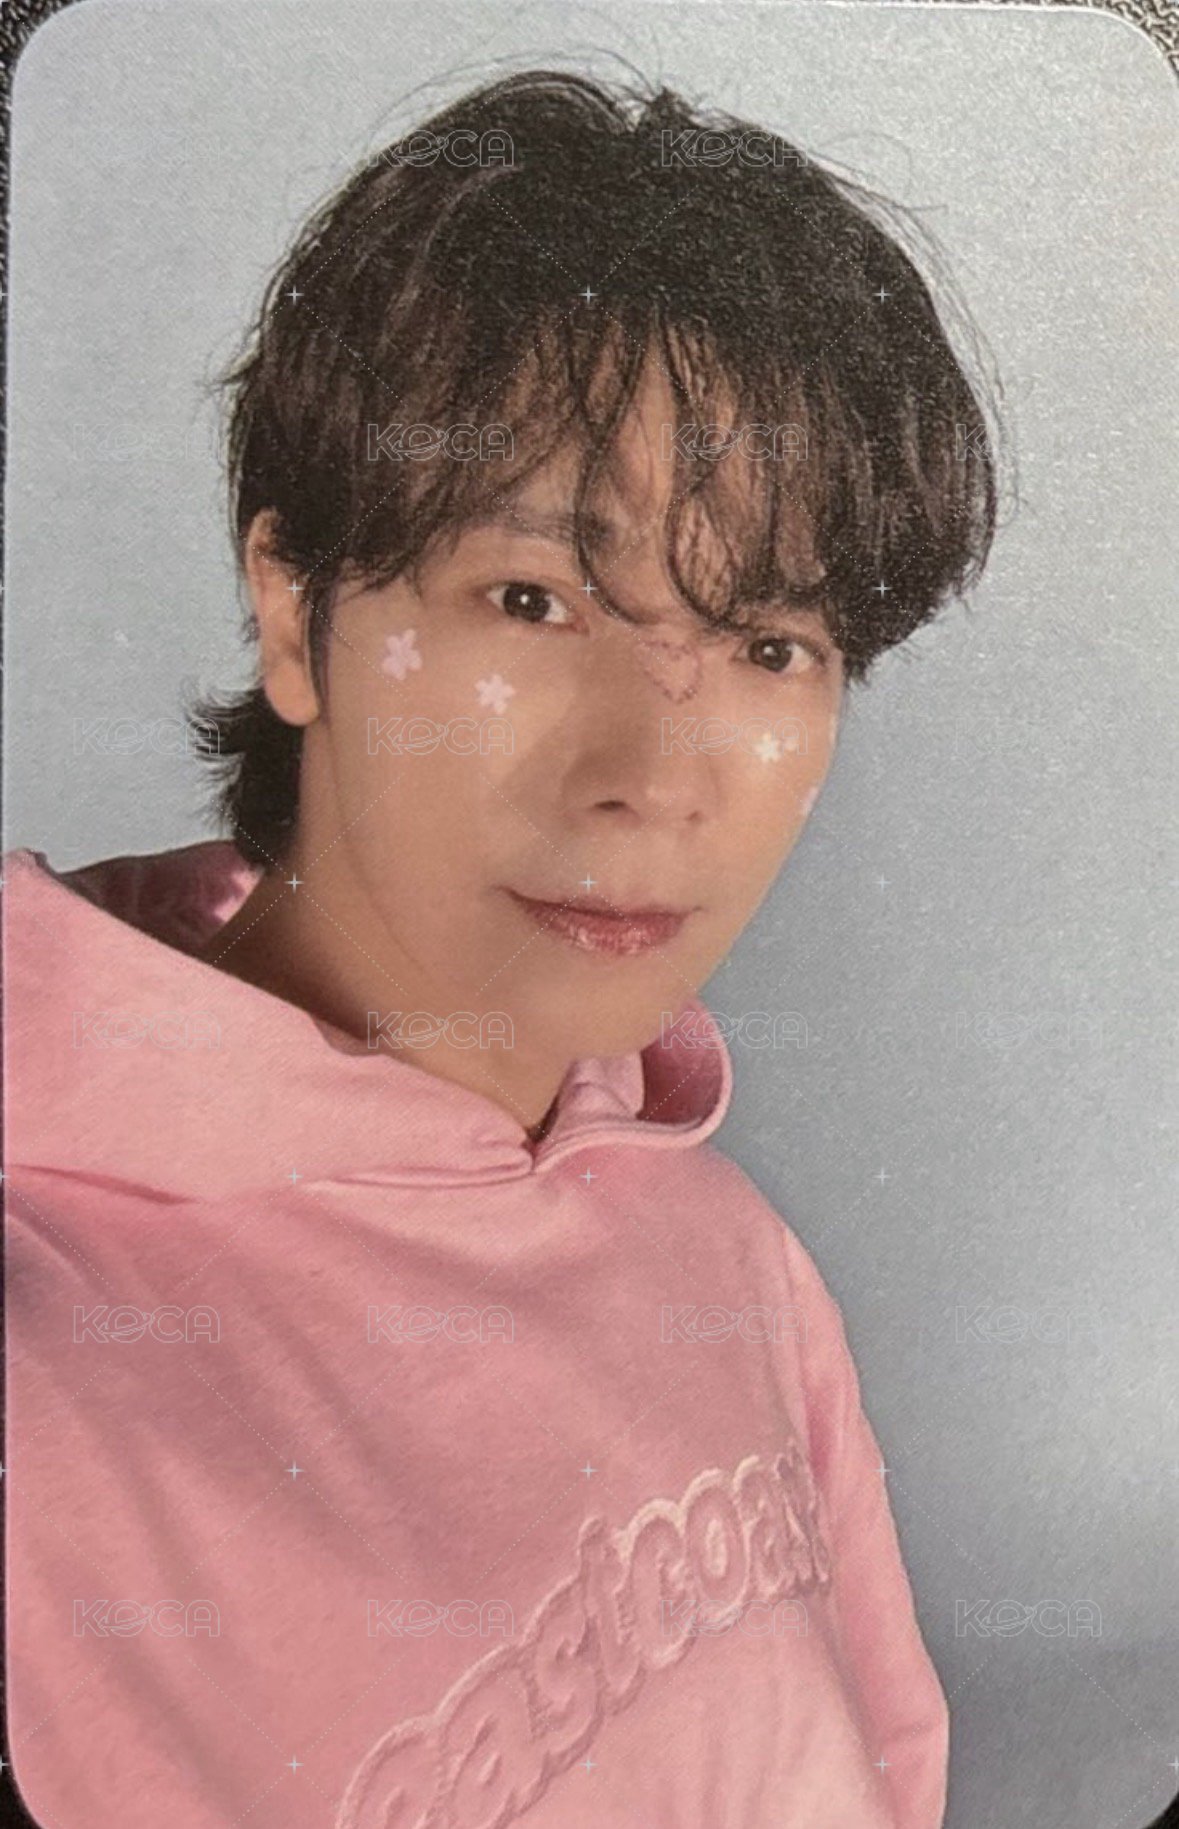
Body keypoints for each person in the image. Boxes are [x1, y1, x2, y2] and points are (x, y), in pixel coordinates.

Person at [2, 69, 997, 1829]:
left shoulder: (736, 1255)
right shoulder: (47, 1369)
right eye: (534, 600)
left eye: (770, 642)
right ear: (293, 609)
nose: (654, 778)